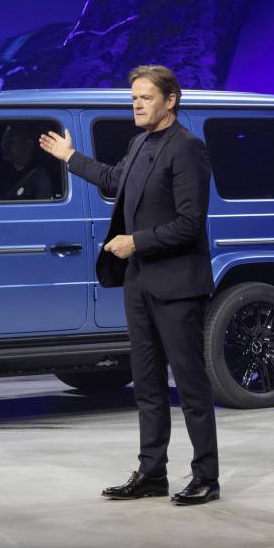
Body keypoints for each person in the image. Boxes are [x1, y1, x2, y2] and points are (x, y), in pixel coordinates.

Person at [38, 65, 220, 506]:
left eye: (145, 98)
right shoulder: (139, 144)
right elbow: (113, 180)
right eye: (133, 98)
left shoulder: (187, 149)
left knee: (191, 386)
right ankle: (152, 472)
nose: (137, 105)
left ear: (170, 100)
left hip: (177, 285)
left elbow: (189, 224)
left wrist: (135, 241)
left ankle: (206, 477)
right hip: (139, 282)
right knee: (146, 383)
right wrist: (70, 157)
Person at [0, 124, 55, 201]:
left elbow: (43, 207)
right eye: (3, 140)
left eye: (11, 141)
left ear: (29, 145)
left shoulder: (39, 176)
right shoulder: (4, 175)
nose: (3, 144)